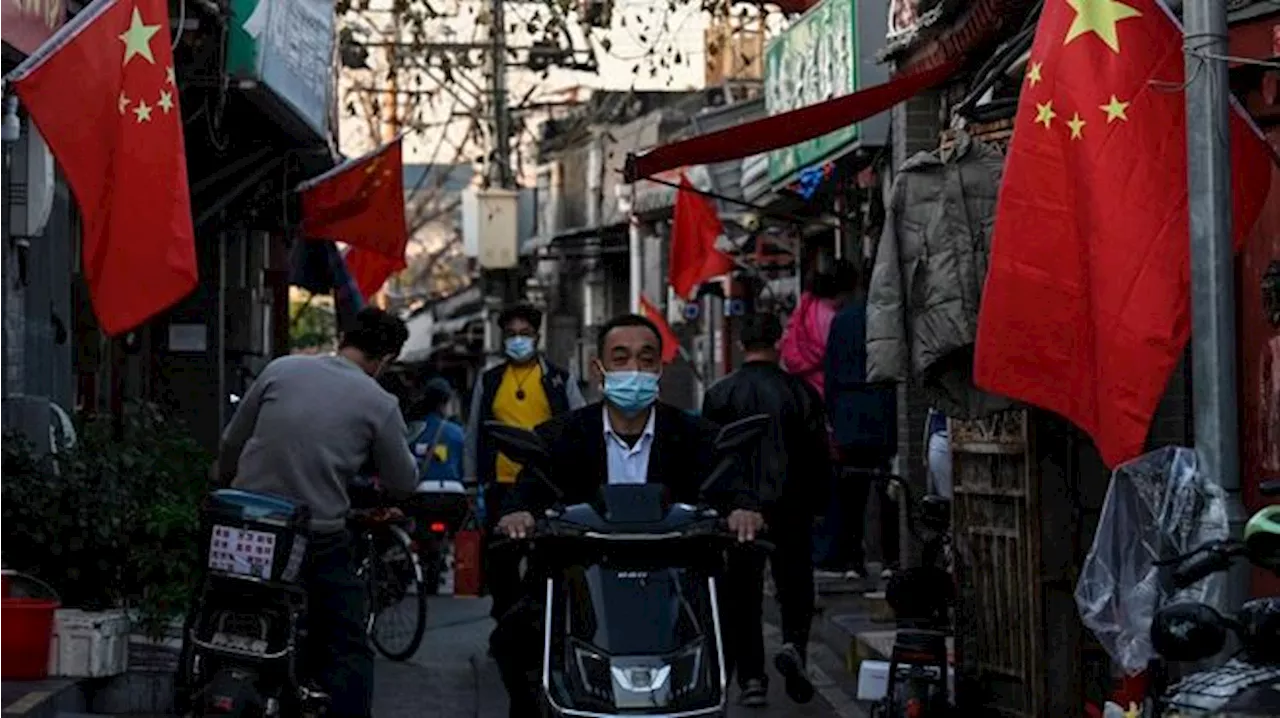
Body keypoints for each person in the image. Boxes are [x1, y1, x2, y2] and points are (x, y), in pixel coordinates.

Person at [490, 313, 766, 718]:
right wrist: (517, 514)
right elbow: (527, 489)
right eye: (620, 359)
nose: (633, 369)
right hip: (580, 580)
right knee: (510, 640)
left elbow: (731, 483)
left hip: (675, 585)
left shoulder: (694, 434)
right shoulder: (562, 434)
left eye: (645, 358)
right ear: (598, 369)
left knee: (731, 623)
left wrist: (744, 510)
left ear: (660, 368)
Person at [217, 307, 417, 718]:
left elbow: (231, 441)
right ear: (386, 360)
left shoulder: (281, 369)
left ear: (343, 337)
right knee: (347, 643)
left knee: (214, 597)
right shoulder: (379, 402)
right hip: (312, 536)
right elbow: (403, 481)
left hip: (240, 524)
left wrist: (225, 480)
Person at [702, 312, 829, 707]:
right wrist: (820, 503)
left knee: (743, 594)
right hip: (791, 506)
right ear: (778, 342)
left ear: (741, 344)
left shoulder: (720, 394)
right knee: (795, 586)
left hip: (739, 512)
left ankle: (752, 678)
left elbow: (711, 458)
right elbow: (817, 457)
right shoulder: (802, 393)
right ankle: (794, 647)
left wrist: (718, 507)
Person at [464, 302, 585, 620]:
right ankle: (504, 623)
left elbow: (580, 426)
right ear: (503, 338)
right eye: (512, 334)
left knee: (548, 558)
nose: (519, 340)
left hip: (546, 486)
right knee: (501, 562)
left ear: (538, 336)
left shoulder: (558, 380)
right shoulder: (489, 381)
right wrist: (470, 481)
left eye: (525, 334)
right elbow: (474, 428)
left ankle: (542, 622)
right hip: (500, 487)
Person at [816, 263, 900, 581]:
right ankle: (892, 559)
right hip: (883, 410)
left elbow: (831, 373)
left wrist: (833, 418)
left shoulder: (843, 320)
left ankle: (852, 559)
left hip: (849, 415)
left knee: (851, 494)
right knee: (889, 490)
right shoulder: (889, 316)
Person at [411, 377, 466, 483]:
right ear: (444, 403)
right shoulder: (457, 432)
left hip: (421, 489)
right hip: (452, 489)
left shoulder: (414, 430)